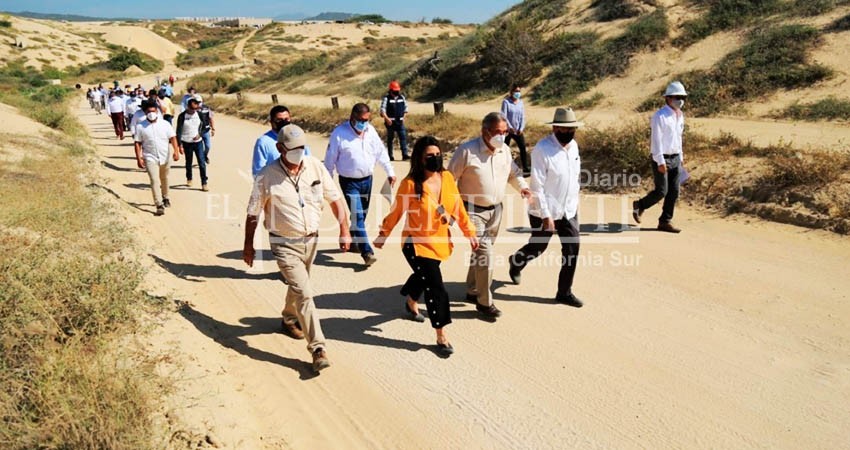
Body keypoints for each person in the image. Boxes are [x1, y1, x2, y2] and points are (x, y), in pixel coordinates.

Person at [243, 124, 352, 373]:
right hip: (283, 243)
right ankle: (318, 348)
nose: (298, 152)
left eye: (301, 147)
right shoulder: (266, 175)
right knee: (305, 292)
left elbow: (335, 199)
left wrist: (344, 229)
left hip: (311, 241)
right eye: (292, 148)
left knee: (298, 287)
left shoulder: (314, 166)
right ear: (280, 148)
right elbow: (252, 213)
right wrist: (248, 245)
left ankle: (289, 318)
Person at [374, 136, 478, 355]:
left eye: (438, 155)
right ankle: (441, 335)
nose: (435, 159)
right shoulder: (410, 184)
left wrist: (470, 232)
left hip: (440, 240)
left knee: (425, 275)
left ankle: (410, 300)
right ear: (420, 159)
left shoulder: (447, 178)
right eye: (430, 156)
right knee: (436, 286)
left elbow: (457, 206)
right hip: (416, 243)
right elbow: (396, 212)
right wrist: (383, 234)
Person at [447, 112, 531, 320]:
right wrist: (449, 213)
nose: (501, 136)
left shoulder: (504, 151)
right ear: (485, 131)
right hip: (472, 210)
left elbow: (513, 174)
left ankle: (472, 290)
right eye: (497, 132)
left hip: (496, 210)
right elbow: (449, 180)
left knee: (480, 253)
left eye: (504, 132)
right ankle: (485, 303)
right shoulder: (467, 151)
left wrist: (523, 187)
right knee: (486, 255)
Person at [508, 107, 584, 308]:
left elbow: (574, 176)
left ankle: (564, 292)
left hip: (568, 210)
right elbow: (537, 186)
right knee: (538, 246)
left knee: (572, 248)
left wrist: (574, 201)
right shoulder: (543, 149)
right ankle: (516, 261)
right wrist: (546, 216)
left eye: (572, 129)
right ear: (556, 127)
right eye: (565, 129)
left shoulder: (574, 146)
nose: (569, 133)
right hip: (544, 210)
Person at [324, 103, 396, 266]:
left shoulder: (370, 131)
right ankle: (367, 251)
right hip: (349, 182)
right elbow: (329, 161)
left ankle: (354, 238)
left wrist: (390, 172)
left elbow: (380, 152)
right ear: (352, 117)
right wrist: (327, 184)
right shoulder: (339, 134)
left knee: (361, 215)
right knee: (357, 215)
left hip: (367, 180)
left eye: (367, 120)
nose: (364, 123)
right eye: (361, 120)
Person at [633, 81, 687, 234]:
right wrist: (660, 161)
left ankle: (665, 221)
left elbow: (679, 138)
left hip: (676, 157)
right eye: (677, 97)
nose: (680, 100)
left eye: (682, 97)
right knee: (662, 191)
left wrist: (681, 156)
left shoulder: (680, 116)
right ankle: (640, 205)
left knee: (674, 191)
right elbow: (656, 140)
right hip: (662, 157)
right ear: (668, 98)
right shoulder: (660, 116)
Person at [134, 101, 181, 216]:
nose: (151, 113)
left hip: (165, 155)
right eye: (149, 111)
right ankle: (158, 204)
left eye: (153, 111)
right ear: (145, 112)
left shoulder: (165, 124)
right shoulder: (140, 126)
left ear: (157, 111)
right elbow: (137, 143)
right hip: (150, 157)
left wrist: (176, 151)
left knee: (164, 178)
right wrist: (138, 158)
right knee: (154, 180)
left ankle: (165, 197)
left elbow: (173, 138)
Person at [251, 105, 311, 177]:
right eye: (279, 120)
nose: (283, 122)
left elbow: (308, 161)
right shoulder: (263, 142)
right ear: (271, 121)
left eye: (286, 119)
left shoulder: (297, 136)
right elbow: (258, 171)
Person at [176, 98, 208, 191]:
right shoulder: (182, 116)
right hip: (186, 142)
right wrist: (179, 145)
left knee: (202, 163)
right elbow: (178, 131)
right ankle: (189, 178)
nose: (194, 110)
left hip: (198, 142)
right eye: (192, 108)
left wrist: (199, 134)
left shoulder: (199, 115)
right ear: (188, 107)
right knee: (188, 162)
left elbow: (206, 128)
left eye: (196, 108)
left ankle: (204, 183)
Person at [501, 84, 529, 175]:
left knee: (523, 148)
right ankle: (503, 168)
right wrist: (509, 127)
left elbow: (522, 116)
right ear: (511, 92)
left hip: (518, 130)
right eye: (516, 91)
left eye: (519, 91)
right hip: (508, 131)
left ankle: (525, 168)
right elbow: (503, 116)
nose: (517, 93)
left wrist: (521, 128)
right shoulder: (506, 102)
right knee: (504, 149)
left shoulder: (521, 102)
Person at [379, 80, 409, 161]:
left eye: (398, 90)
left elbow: (406, 108)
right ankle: (390, 156)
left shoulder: (402, 97)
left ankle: (405, 155)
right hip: (390, 123)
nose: (397, 92)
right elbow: (382, 110)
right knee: (390, 139)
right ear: (391, 90)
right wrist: (387, 119)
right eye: (395, 91)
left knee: (403, 138)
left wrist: (404, 117)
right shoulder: (386, 99)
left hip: (400, 122)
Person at [195, 95, 215, 164]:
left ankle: (205, 155)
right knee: (198, 148)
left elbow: (211, 118)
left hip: (206, 130)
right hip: (197, 131)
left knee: (208, 146)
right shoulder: (192, 110)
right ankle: (201, 159)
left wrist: (213, 129)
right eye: (196, 102)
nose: (198, 103)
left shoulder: (206, 108)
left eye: (199, 102)